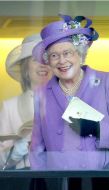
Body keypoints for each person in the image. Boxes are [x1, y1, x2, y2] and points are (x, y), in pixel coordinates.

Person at [29, 14, 109, 170]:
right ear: (48, 60)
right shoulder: (43, 93)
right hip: (60, 182)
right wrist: (38, 180)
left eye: (67, 53)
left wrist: (97, 129)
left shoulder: (107, 82)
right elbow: (37, 147)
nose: (61, 61)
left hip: (101, 180)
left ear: (80, 54)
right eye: (54, 55)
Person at [0, 34, 52, 170]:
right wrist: (21, 146)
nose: (43, 65)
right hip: (23, 182)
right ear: (26, 69)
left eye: (47, 59)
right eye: (35, 60)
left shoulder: (70, 104)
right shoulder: (9, 107)